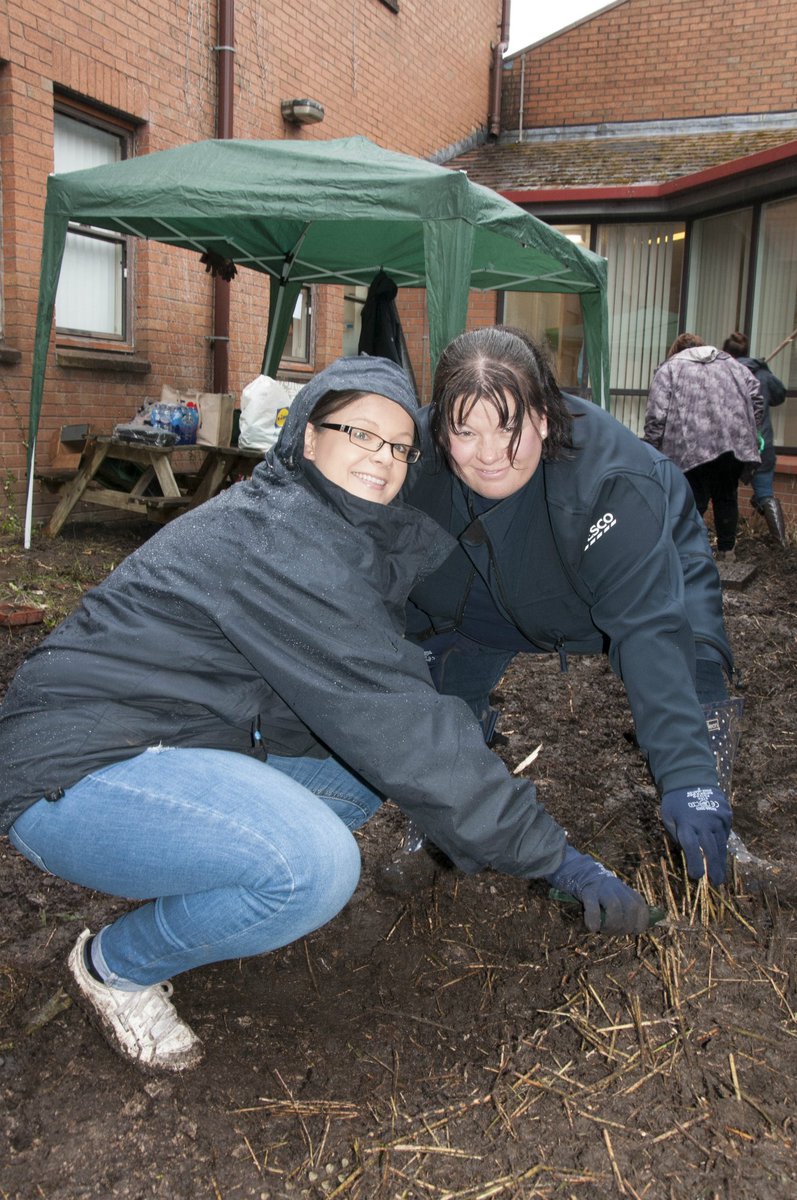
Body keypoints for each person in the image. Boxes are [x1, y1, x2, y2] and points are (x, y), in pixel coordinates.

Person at [0, 354, 649, 1075]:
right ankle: (114, 964)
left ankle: (204, 888)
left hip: (164, 734)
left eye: (400, 447)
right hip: (70, 772)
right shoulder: (281, 539)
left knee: (353, 778)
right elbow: (398, 720)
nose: (384, 460)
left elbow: (379, 706)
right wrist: (555, 860)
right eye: (359, 434)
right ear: (307, 436)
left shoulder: (320, 524)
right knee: (312, 867)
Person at [402, 325, 736, 895]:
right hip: (499, 582)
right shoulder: (411, 463)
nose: (487, 455)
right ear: (440, 429)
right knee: (445, 662)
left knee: (692, 658)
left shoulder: (611, 485)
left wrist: (686, 773)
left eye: (508, 427)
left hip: (625, 565)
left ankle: (707, 812)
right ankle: (446, 819)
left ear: (545, 418)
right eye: (465, 431)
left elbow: (649, 630)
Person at [644, 333, 763, 561]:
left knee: (691, 501)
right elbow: (757, 397)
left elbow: (656, 415)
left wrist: (652, 448)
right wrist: (750, 430)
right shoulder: (731, 364)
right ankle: (728, 551)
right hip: (732, 444)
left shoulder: (670, 368)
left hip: (688, 447)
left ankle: (692, 554)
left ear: (675, 350)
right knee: (726, 496)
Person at [722, 331, 788, 548]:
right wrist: (765, 371)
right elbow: (779, 396)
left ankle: (727, 544)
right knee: (765, 494)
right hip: (761, 444)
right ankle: (781, 543)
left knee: (726, 494)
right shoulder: (762, 375)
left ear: (725, 352)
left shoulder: (723, 373)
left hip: (730, 444)